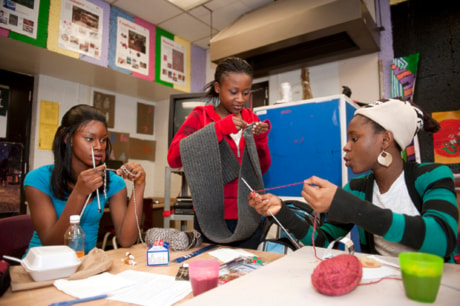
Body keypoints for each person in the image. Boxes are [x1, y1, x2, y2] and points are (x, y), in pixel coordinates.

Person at [249, 99, 458, 262]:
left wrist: (347, 204)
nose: (346, 146)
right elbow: (321, 241)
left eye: (354, 138)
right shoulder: (356, 189)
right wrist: (281, 211)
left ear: (385, 140)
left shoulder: (432, 175)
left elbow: (442, 239)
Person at [167, 57, 271, 249]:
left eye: (246, 92)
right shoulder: (201, 116)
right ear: (217, 87)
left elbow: (261, 169)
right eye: (233, 92)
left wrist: (260, 139)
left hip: (249, 214)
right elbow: (174, 158)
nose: (240, 99)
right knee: (215, 269)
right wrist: (218, 129)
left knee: (248, 271)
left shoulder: (251, 119)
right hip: (212, 217)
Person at [24, 104, 146, 256]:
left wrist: (139, 186)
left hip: (85, 265)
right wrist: (80, 193)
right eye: (89, 139)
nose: (99, 147)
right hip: (43, 267)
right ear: (68, 138)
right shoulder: (37, 180)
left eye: (103, 140)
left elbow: (127, 240)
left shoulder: (113, 182)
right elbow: (51, 244)